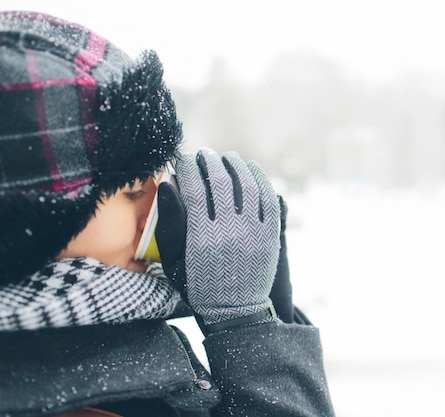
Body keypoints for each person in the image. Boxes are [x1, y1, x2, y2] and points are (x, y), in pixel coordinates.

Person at [0, 11, 335, 417]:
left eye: (161, 180)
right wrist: (245, 331)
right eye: (134, 192)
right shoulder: (74, 404)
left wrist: (274, 324)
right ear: (26, 227)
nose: (160, 211)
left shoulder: (96, 347)